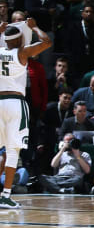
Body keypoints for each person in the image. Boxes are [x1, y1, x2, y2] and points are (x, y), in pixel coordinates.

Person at [0, 19, 51, 208]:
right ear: (19, 39)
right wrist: (35, 26)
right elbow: (47, 42)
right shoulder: (22, 52)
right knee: (13, 151)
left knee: (1, 151)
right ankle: (5, 195)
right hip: (15, 103)